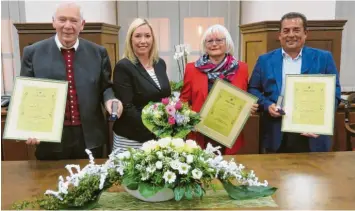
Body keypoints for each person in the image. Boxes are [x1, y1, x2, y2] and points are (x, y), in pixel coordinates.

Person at [21, 2, 123, 160]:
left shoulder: (98, 52)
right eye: (62, 20)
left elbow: (105, 87)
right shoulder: (33, 53)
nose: (68, 26)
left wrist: (111, 100)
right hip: (50, 138)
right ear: (53, 22)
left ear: (82, 25)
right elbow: (26, 94)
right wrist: (29, 127)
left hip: (90, 136)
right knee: (49, 183)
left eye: (74, 21)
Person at [248, 12, 341, 153]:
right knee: (274, 174)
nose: (291, 35)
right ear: (279, 35)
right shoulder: (264, 60)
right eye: (286, 31)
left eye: (296, 30)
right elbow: (253, 89)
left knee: (315, 174)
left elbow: (335, 93)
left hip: (311, 134)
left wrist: (319, 121)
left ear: (305, 33)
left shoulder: (324, 58)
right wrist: (267, 106)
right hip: (276, 132)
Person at [180, 24, 258, 155]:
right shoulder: (192, 69)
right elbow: (183, 101)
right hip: (200, 133)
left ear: (227, 43)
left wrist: (249, 107)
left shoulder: (242, 68)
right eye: (209, 41)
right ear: (205, 45)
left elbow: (244, 97)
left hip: (229, 133)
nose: (214, 44)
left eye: (219, 40)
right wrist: (190, 119)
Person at [112, 18, 171, 153]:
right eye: (138, 36)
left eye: (147, 36)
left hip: (156, 137)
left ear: (153, 39)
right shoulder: (123, 67)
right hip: (131, 139)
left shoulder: (160, 63)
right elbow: (128, 108)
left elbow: (164, 97)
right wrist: (156, 128)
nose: (143, 41)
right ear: (130, 40)